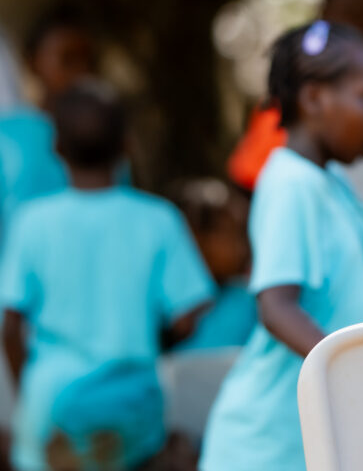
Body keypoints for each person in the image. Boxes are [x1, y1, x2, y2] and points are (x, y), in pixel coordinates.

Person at [200, 21, 363, 471]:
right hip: (263, 449)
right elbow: (276, 307)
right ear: (314, 98)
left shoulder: (334, 184)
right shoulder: (291, 183)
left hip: (305, 444)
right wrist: (353, 375)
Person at [0, 81, 213, 471]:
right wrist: (145, 340)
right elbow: (187, 315)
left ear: (56, 147)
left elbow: (10, 326)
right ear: (126, 145)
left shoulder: (33, 222)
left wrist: (27, 389)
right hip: (132, 409)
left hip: (51, 406)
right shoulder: (158, 219)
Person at [226, 0, 363, 235]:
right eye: (346, 13)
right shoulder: (288, 111)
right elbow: (246, 182)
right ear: (322, 14)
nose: (354, 25)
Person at [0, 9, 96, 239]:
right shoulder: (8, 137)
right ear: (32, 62)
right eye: (67, 60)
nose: (80, 71)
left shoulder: (103, 137)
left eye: (88, 60)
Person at [174, 178, 256, 351]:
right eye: (233, 234)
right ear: (197, 238)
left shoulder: (247, 300)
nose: (243, 247)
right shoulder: (175, 306)